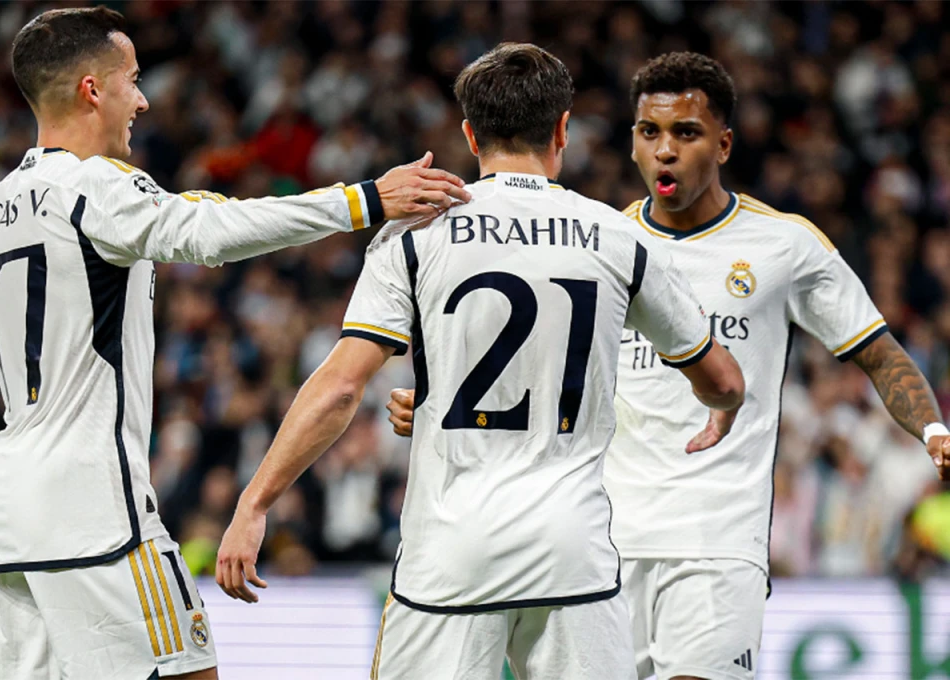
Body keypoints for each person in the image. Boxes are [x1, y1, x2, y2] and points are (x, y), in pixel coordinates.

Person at [0, 7, 469, 680]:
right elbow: (207, 233)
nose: (144, 100)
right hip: (98, 509)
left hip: (8, 524)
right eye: (133, 80)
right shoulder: (93, 186)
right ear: (92, 90)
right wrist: (363, 202)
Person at [387, 52, 950, 680]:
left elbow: (877, 351)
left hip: (716, 540)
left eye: (686, 133)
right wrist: (440, 402)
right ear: (630, 141)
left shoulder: (785, 245)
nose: (665, 150)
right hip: (599, 545)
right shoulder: (600, 242)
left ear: (725, 143)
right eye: (649, 133)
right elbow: (530, 368)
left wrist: (934, 432)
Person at [216, 43, 745, 680]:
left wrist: (255, 503)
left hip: (450, 554)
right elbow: (719, 378)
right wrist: (724, 409)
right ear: (563, 129)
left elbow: (339, 389)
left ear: (470, 134)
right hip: (571, 553)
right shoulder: (618, 236)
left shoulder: (416, 234)